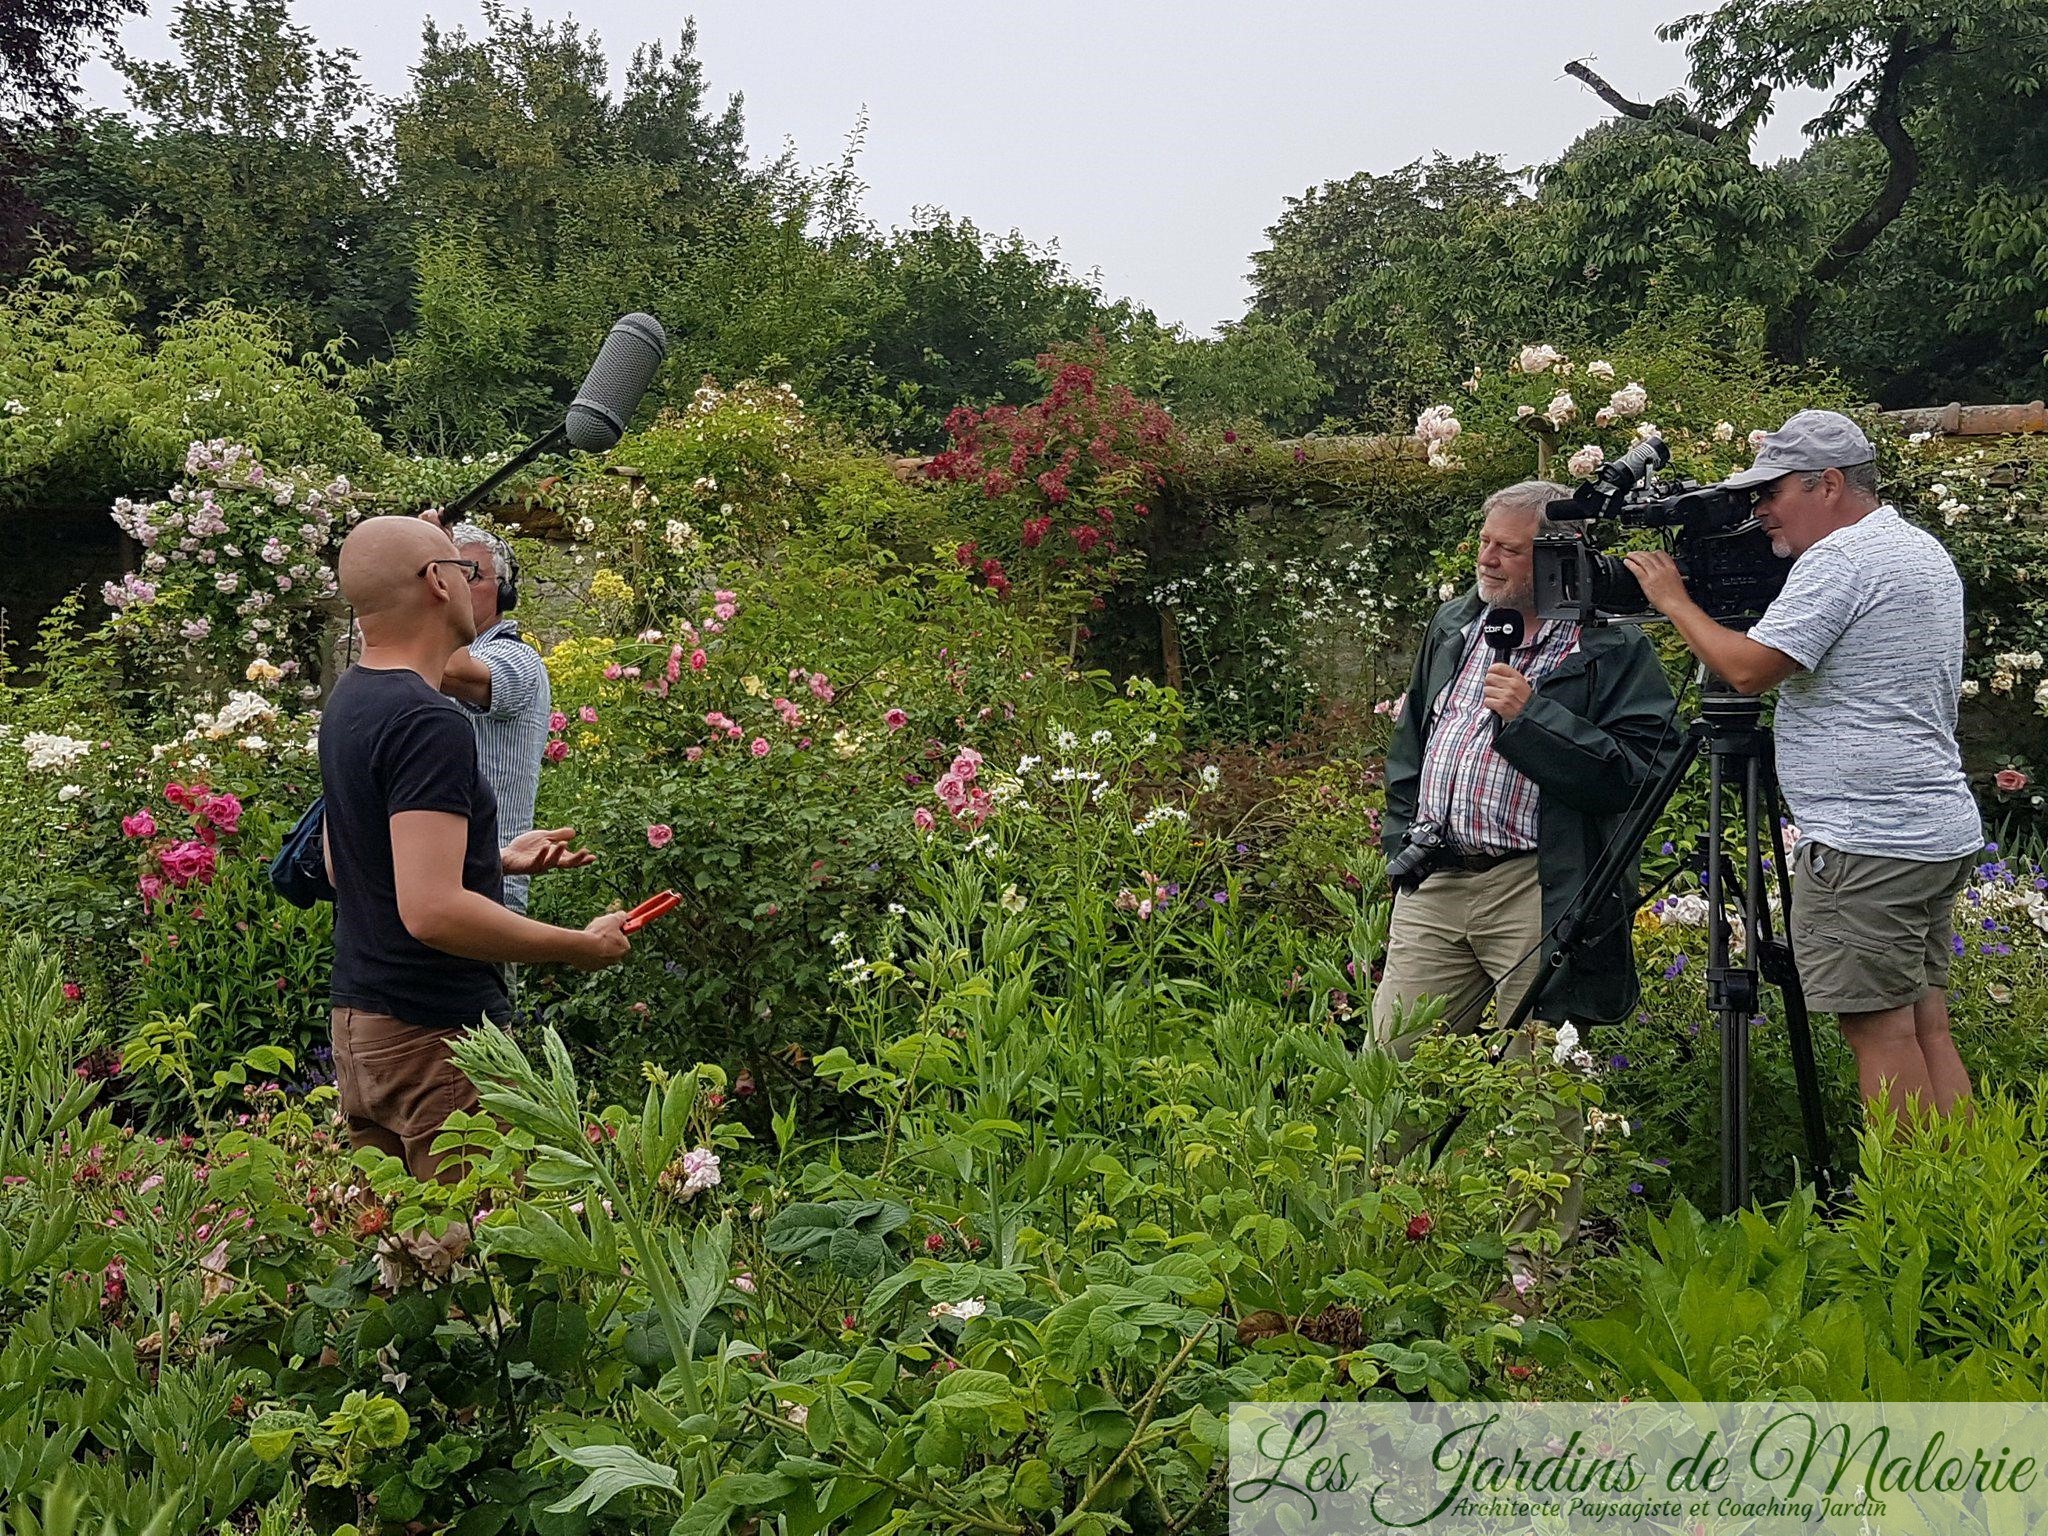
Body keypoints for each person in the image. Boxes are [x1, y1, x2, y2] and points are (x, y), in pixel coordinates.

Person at [1623, 410, 1982, 1124]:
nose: (1758, 512)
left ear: (1826, 484)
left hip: (1866, 840)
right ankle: (1963, 1206)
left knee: (1877, 1033)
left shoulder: (1842, 559)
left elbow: (1747, 670)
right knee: (1924, 1027)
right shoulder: (1917, 548)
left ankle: (1907, 1212)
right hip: (1934, 828)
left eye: (1771, 492)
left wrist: (1672, 600)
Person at [1376, 480, 1679, 1288]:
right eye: (1486, 540)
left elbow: (1641, 775)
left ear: (1557, 557)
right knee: (1391, 1072)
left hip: (1534, 890)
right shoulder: (1456, 625)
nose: (1487, 556)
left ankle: (1529, 1286)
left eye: (1509, 547)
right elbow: (1412, 744)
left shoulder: (1608, 651)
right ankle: (1379, 1257)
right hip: (1436, 881)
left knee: (1538, 1092)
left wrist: (1533, 717)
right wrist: (1398, 843)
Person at [322, 516, 631, 1180]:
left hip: (363, 1031)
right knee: (478, 1255)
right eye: (460, 570)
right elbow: (431, 912)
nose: (469, 584)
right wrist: (580, 945)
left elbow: (342, 861)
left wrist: (483, 860)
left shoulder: (350, 700)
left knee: (405, 1261)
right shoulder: (428, 719)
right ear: (437, 581)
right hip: (437, 1038)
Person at [432, 521, 552, 915]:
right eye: (444, 573)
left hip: (486, 889)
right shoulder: (425, 656)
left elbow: (450, 672)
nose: (453, 586)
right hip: (429, 881)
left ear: (503, 592)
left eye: (468, 574)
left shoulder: (516, 659)